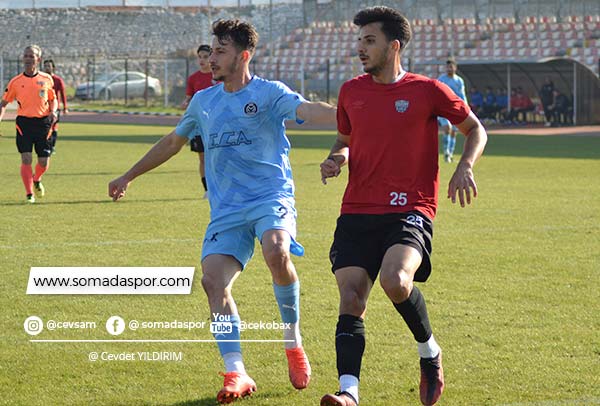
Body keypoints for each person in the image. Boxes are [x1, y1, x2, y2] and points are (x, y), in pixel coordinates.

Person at [108, 19, 336, 404]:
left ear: (243, 56)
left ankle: (292, 341)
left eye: (220, 51)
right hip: (227, 210)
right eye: (212, 50)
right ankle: (237, 372)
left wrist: (354, 112)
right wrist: (129, 174)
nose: (211, 58)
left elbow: (309, 111)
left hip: (269, 197)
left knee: (276, 250)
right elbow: (172, 142)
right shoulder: (204, 101)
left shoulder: (269, 93)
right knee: (213, 281)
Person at [319, 7, 487, 406]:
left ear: (393, 46)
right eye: (359, 40)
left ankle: (430, 353)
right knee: (352, 297)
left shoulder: (428, 90)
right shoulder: (351, 91)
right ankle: (349, 393)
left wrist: (464, 166)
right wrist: (336, 159)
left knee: (396, 281)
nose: (360, 48)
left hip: (410, 207)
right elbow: (344, 141)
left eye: (369, 41)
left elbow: (475, 129)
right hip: (358, 209)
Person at [0, 45, 57, 203]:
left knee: (43, 162)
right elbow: (3, 103)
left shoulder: (46, 79)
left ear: (38, 59)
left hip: (43, 123)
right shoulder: (16, 82)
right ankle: (29, 194)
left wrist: (54, 111)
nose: (28, 59)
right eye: (26, 56)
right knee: (26, 159)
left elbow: (53, 99)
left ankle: (37, 178)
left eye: (31, 56)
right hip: (24, 124)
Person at [181, 44, 215, 199]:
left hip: (215, 124)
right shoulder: (193, 78)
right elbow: (189, 98)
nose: (202, 60)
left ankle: (218, 187)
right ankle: (207, 189)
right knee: (202, 158)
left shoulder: (217, 77)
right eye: (199, 57)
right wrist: (185, 103)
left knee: (217, 157)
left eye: (205, 57)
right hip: (198, 126)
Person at [436, 58, 467, 163]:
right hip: (442, 109)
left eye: (451, 67)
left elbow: (462, 96)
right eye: (447, 67)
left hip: (455, 109)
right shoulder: (441, 79)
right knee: (447, 128)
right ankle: (446, 153)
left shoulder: (459, 81)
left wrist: (465, 107)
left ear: (455, 68)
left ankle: (451, 153)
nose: (449, 69)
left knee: (454, 132)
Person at [43, 59, 68, 153]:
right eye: (45, 66)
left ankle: (51, 146)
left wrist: (65, 107)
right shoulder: (41, 79)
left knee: (53, 127)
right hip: (44, 108)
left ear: (53, 67)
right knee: (45, 127)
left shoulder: (57, 80)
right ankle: (46, 146)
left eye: (49, 66)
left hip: (54, 108)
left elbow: (63, 94)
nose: (47, 68)